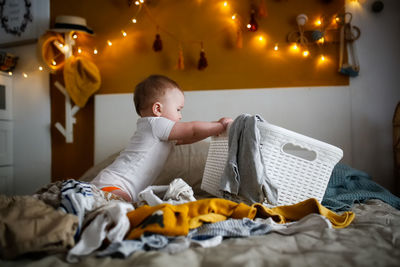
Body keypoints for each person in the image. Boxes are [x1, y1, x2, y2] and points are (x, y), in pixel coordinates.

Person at [92, 74, 232, 202]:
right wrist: (219, 126)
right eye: (178, 109)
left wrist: (213, 127)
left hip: (111, 185)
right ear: (157, 109)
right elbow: (191, 130)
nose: (180, 116)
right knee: (123, 209)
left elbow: (186, 138)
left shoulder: (156, 131)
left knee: (124, 208)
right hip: (113, 185)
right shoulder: (155, 124)